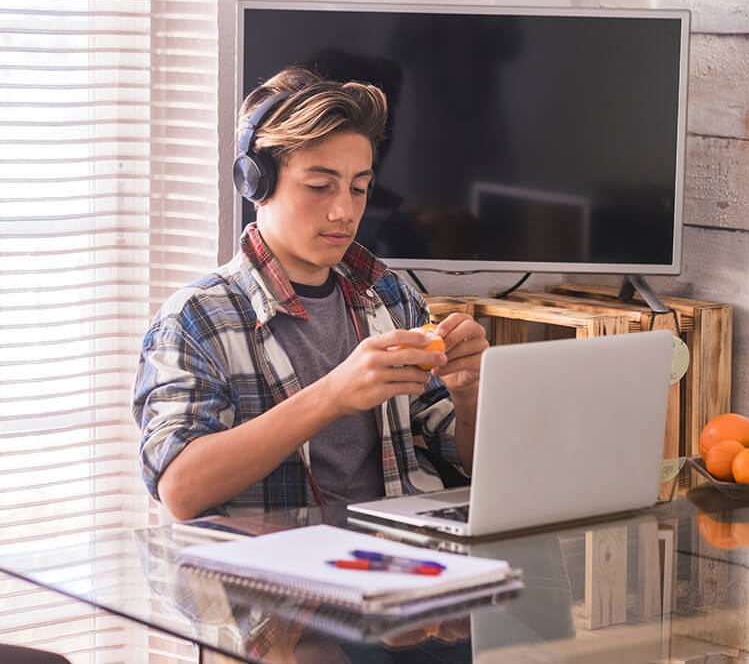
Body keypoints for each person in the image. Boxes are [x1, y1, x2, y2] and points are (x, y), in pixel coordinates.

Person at [132, 67, 488, 520]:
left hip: (397, 565)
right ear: (255, 183)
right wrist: (334, 394)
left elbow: (475, 466)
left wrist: (470, 394)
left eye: (359, 188)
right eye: (320, 187)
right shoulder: (197, 317)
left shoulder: (390, 296)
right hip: (269, 575)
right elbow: (180, 489)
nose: (345, 211)